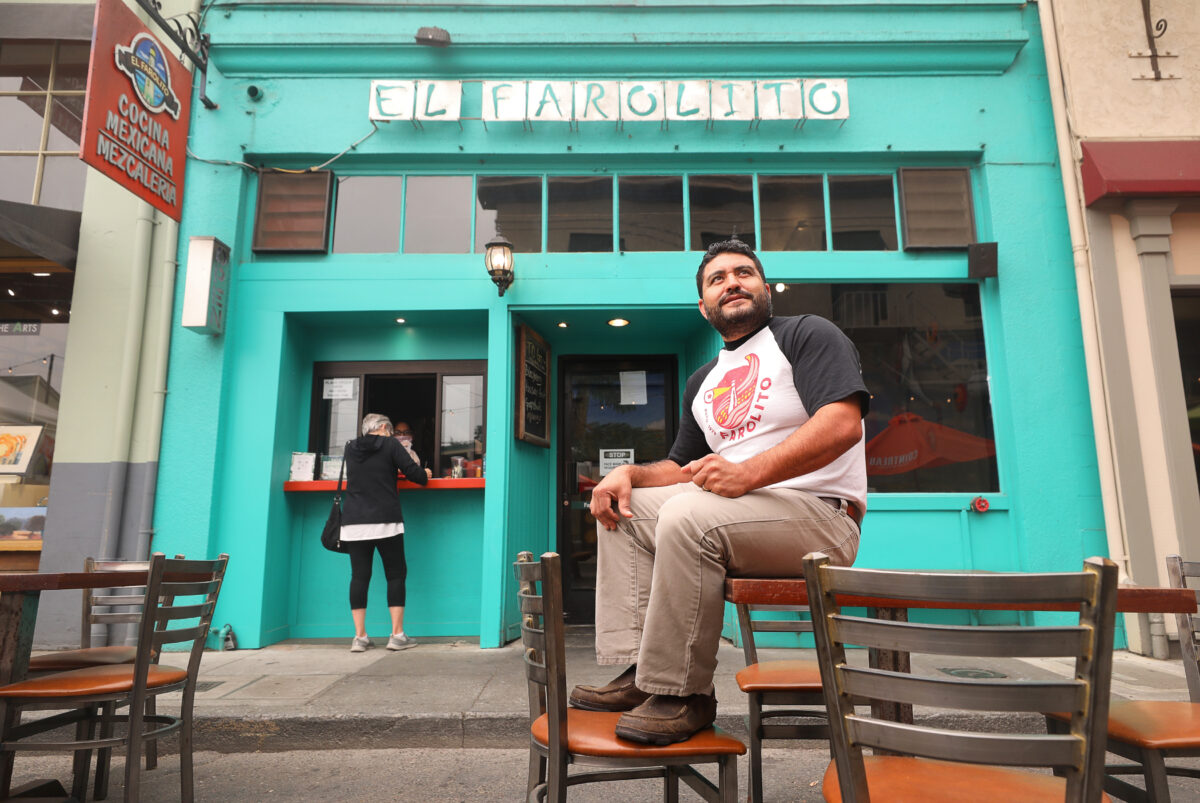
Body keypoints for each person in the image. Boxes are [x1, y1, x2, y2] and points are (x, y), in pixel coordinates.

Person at [569, 239, 868, 745]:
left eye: (744, 273)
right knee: (625, 508)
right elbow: (681, 466)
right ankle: (640, 672)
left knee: (686, 515)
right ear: (703, 307)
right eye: (717, 279)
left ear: (764, 288)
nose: (732, 282)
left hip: (821, 517)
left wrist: (749, 473)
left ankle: (683, 693)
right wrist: (630, 475)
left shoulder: (804, 334)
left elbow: (843, 424)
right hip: (737, 514)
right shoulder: (703, 380)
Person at [342, 413, 432, 652]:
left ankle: (359, 637)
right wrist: (427, 474)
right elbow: (415, 474)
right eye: (390, 431)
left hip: (353, 521)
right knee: (395, 574)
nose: (392, 435)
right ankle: (397, 635)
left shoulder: (350, 447)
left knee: (359, 576)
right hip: (385, 520)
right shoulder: (390, 444)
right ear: (384, 428)